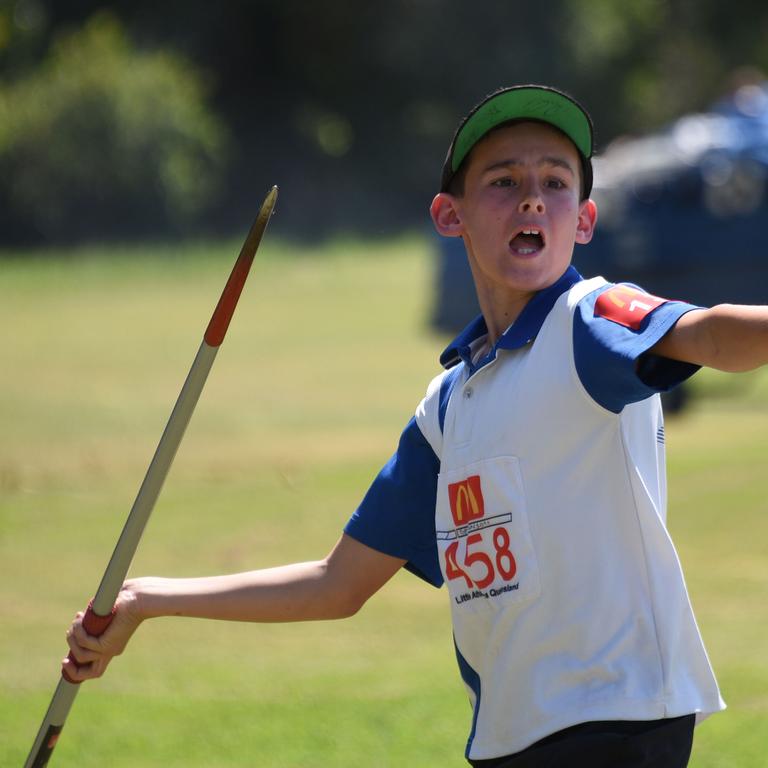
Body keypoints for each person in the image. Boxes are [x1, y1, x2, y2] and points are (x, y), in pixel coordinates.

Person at [65, 85, 768, 767]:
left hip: (615, 722)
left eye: (555, 182)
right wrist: (149, 599)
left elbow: (708, 335)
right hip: (518, 735)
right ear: (449, 215)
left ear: (583, 220)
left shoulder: (590, 318)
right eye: (502, 180)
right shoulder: (447, 407)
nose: (531, 196)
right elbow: (335, 583)